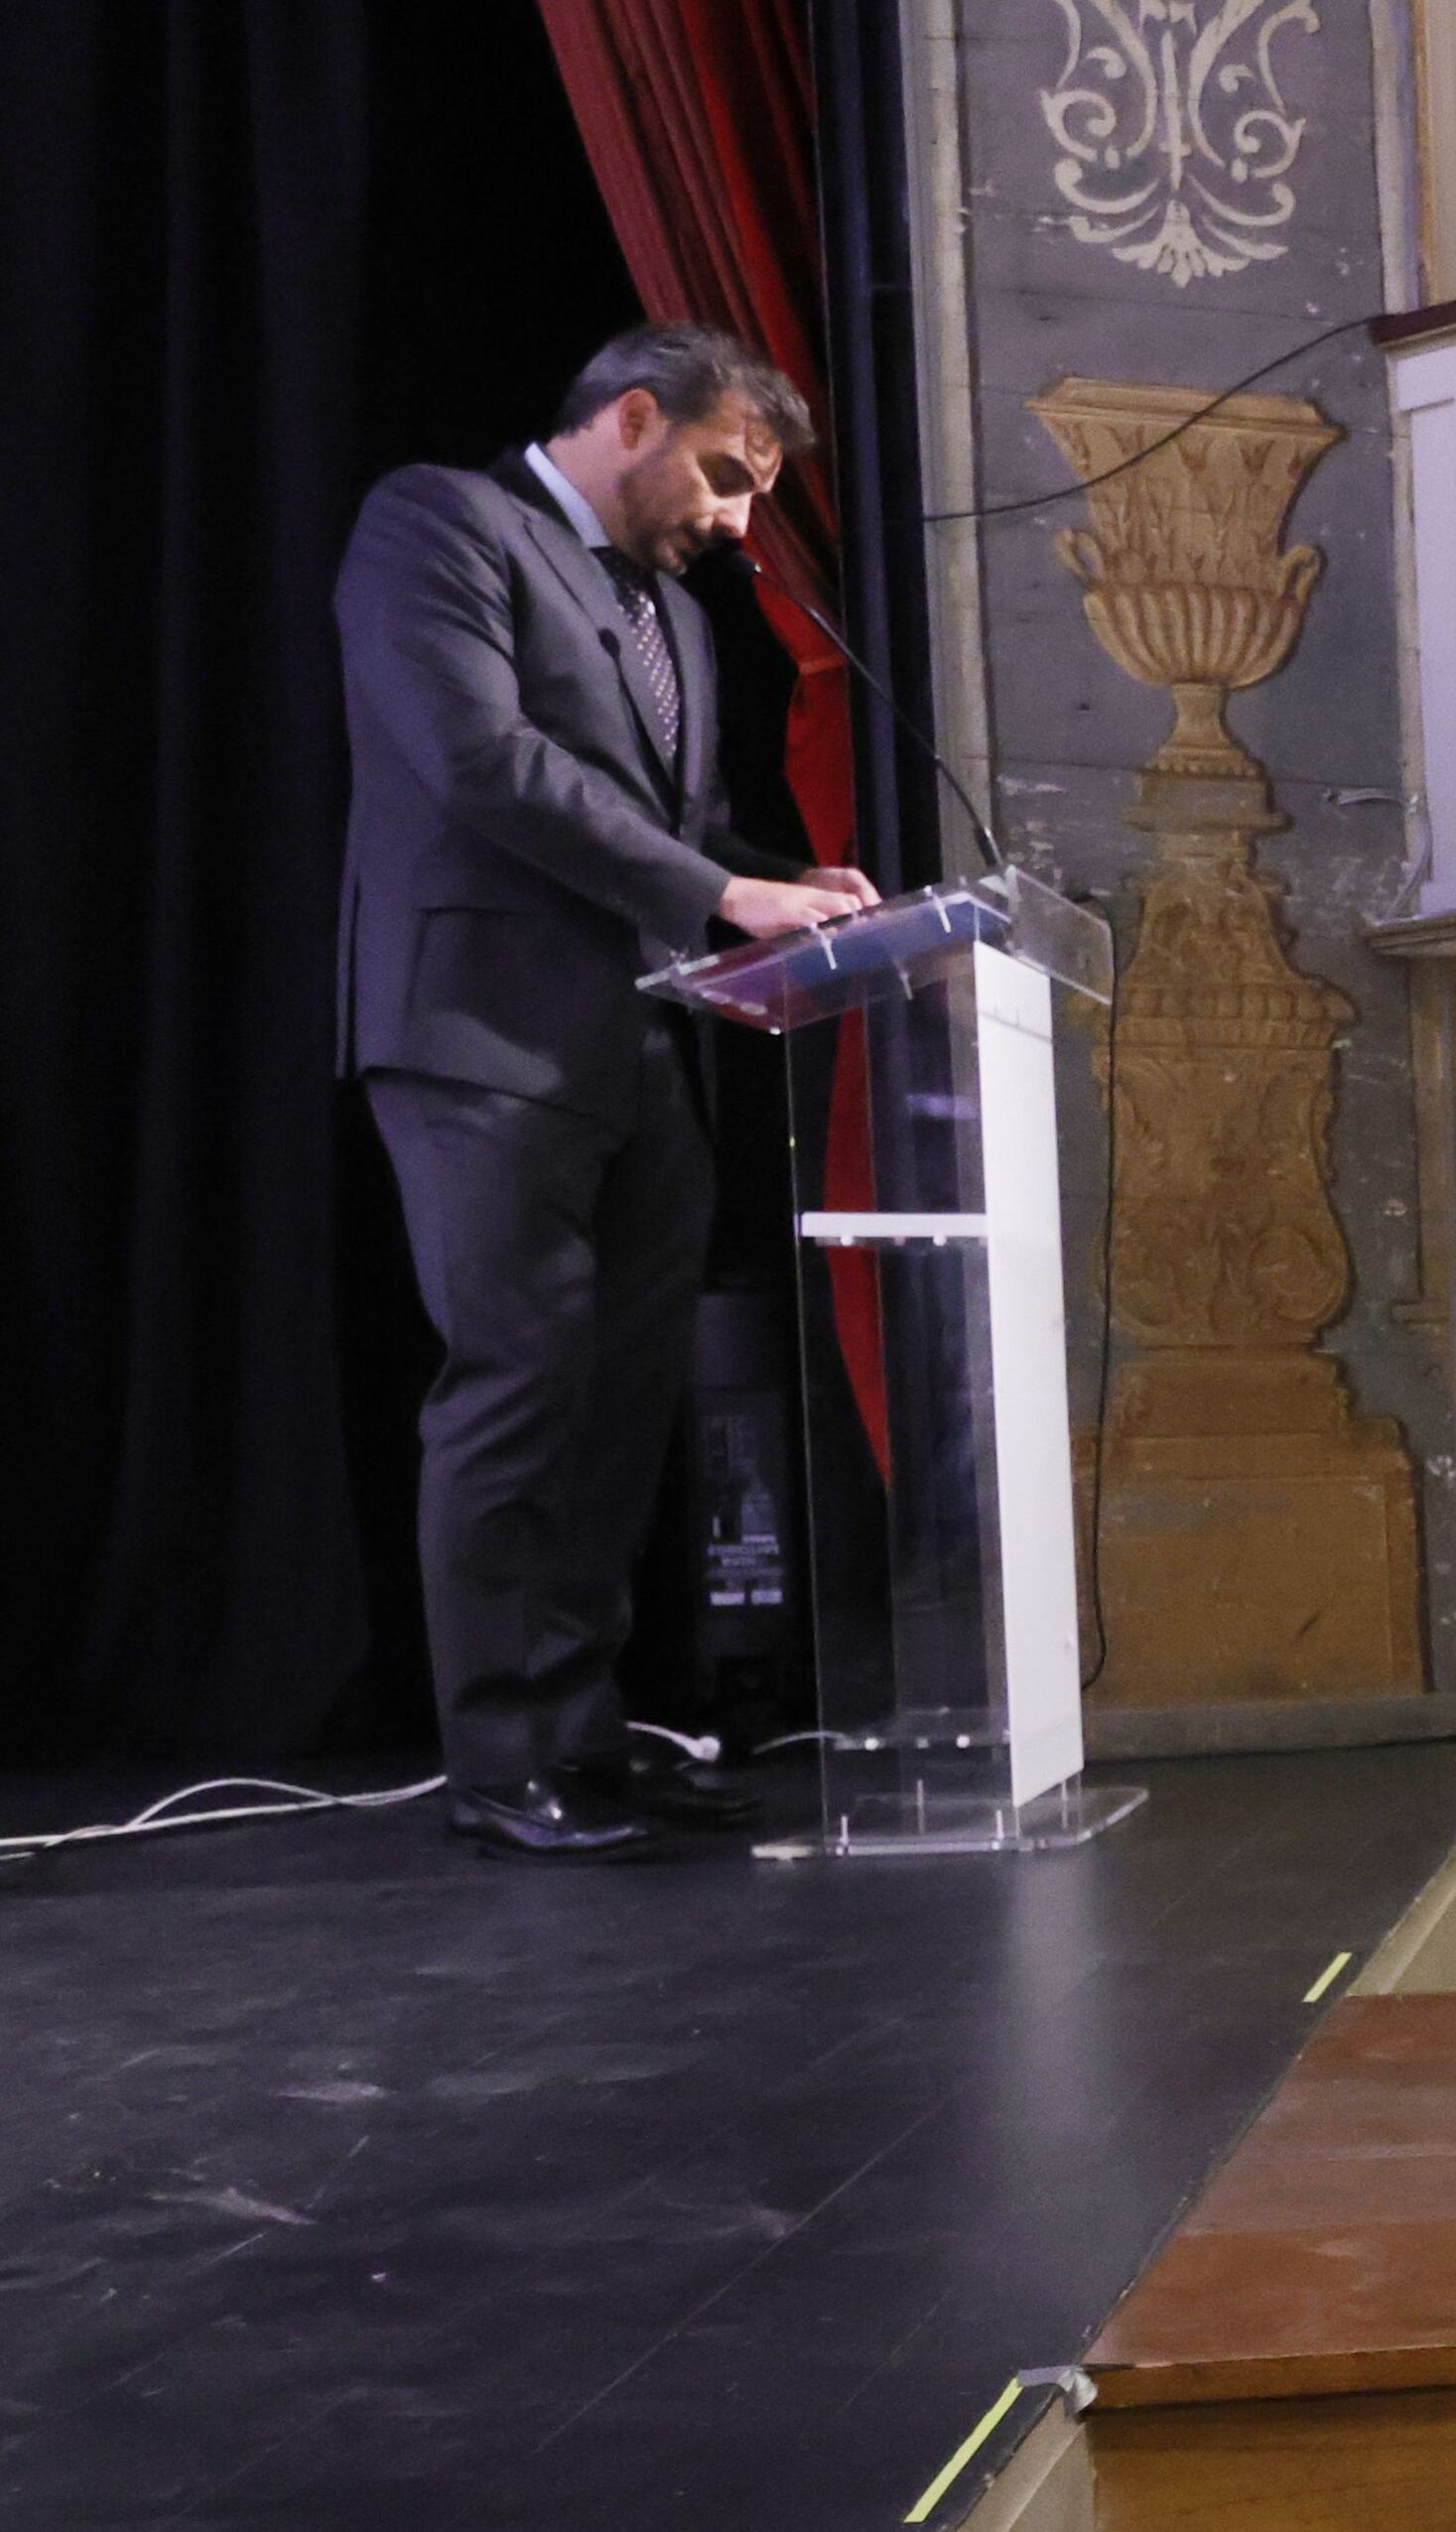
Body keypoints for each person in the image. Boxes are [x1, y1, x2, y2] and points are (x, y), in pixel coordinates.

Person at [338, 320, 879, 1860]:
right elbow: (485, 765)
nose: (736, 520)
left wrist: (806, 890)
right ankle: (504, 1759)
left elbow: (681, 829)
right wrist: (727, 889)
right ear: (633, 418)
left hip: (645, 1052)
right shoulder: (443, 523)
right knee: (516, 1385)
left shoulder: (673, 617)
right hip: (483, 1040)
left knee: (619, 1407)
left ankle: (587, 1738)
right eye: (722, 476)